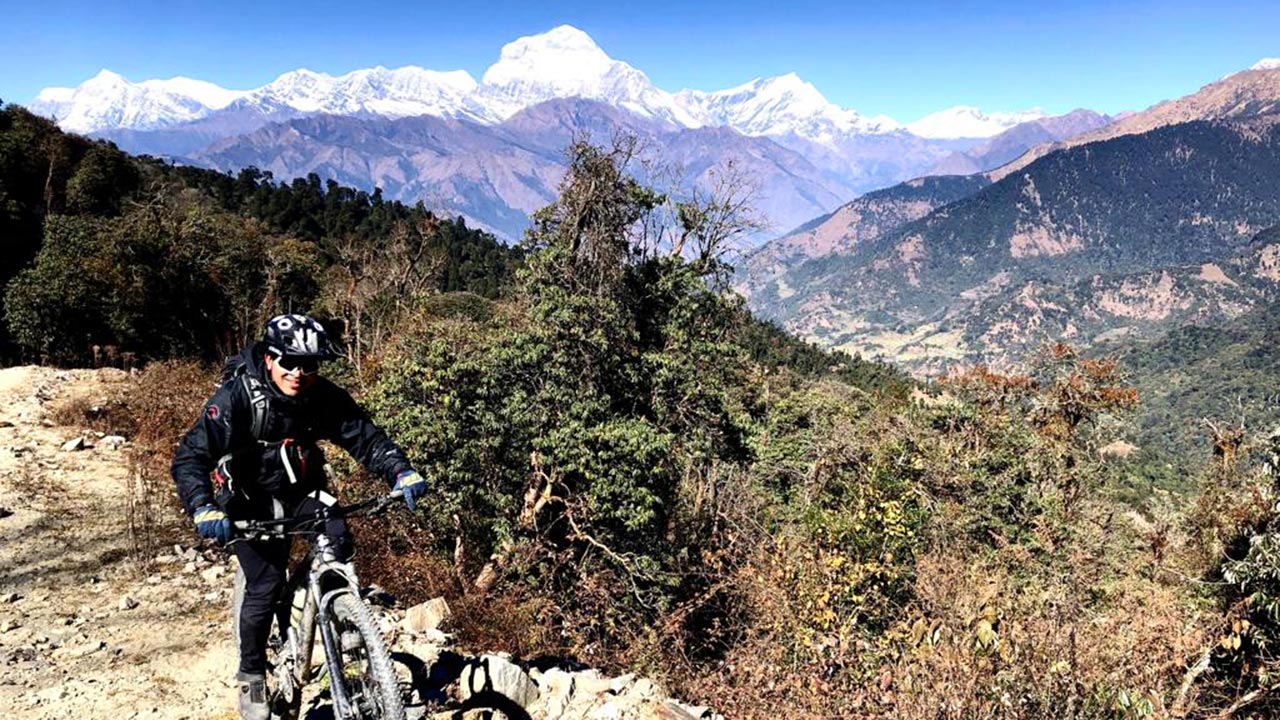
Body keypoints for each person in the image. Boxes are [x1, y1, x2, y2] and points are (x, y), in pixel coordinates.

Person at [171, 313, 427, 720]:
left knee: (338, 546)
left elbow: (364, 437)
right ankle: (252, 675)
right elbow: (191, 456)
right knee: (266, 583)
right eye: (289, 362)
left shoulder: (322, 396)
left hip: (303, 491)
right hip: (249, 500)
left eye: (309, 365)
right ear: (269, 358)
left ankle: (342, 621)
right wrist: (203, 506)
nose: (299, 373)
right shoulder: (237, 398)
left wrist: (400, 471)